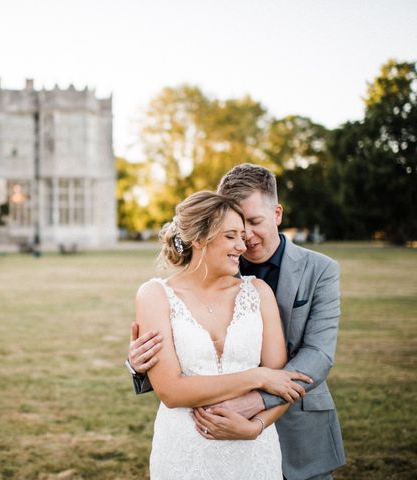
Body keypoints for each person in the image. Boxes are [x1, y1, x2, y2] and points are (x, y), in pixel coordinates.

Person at [128, 164, 346, 480]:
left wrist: (255, 409)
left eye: (254, 223)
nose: (245, 241)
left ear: (277, 214)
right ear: (205, 235)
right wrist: (139, 362)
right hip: (195, 439)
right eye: (236, 231)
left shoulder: (319, 270)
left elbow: (318, 355)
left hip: (294, 427)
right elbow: (173, 372)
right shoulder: (217, 259)